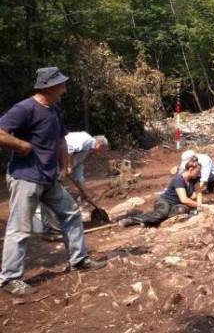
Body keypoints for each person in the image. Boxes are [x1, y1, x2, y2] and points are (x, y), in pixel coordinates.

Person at [0, 67, 106, 296]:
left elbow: (61, 141)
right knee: (20, 228)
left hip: (48, 178)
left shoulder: (55, 110)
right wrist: (20, 145)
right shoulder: (25, 109)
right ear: (49, 87)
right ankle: (10, 278)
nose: (65, 89)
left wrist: (65, 166)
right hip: (26, 177)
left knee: (71, 213)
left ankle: (78, 260)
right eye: (62, 85)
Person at [119, 159, 202, 227]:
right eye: (197, 171)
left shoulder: (195, 178)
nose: (199, 173)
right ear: (191, 169)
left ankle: (152, 222)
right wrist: (200, 205)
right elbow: (184, 199)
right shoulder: (179, 179)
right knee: (161, 214)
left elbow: (199, 192)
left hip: (176, 204)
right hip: (165, 201)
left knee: (182, 210)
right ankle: (132, 220)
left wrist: (199, 205)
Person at [65, 132, 109, 201]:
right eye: (101, 150)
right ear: (99, 144)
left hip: (71, 157)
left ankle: (84, 195)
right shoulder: (86, 140)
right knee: (57, 179)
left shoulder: (88, 148)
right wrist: (68, 166)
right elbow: (68, 148)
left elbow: (79, 164)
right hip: (58, 153)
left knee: (79, 176)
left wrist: (84, 192)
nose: (99, 153)